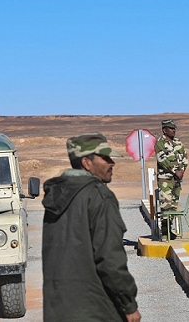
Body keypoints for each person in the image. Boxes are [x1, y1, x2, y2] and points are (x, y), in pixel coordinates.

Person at [42, 133, 141, 322]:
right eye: (105, 158)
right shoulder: (99, 197)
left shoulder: (56, 197)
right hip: (96, 311)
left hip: (58, 310)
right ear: (86, 163)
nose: (112, 163)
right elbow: (109, 259)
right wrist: (129, 305)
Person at [154, 119, 188, 212]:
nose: (173, 130)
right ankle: (165, 226)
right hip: (165, 180)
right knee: (166, 208)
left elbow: (184, 157)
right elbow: (162, 160)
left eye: (174, 129)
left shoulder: (178, 142)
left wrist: (182, 170)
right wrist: (175, 170)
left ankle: (173, 226)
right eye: (171, 128)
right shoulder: (160, 143)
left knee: (174, 207)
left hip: (177, 180)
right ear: (164, 130)